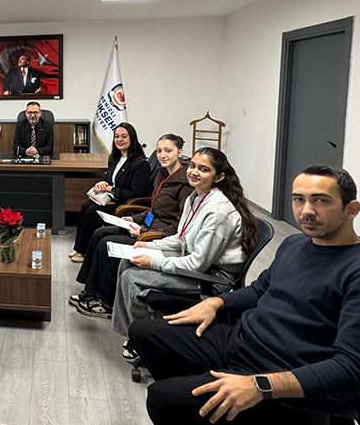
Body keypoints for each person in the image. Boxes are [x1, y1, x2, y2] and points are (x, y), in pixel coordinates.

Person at [129, 166, 360, 425]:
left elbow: (353, 371)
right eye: (298, 199)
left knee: (163, 399)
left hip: (281, 373)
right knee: (144, 332)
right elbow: (260, 290)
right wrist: (216, 302)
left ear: (351, 209)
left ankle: (224, 420)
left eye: (321, 200)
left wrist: (258, 385)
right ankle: (218, 418)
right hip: (242, 342)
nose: (306, 210)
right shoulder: (295, 244)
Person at [112, 147, 258, 346]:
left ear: (218, 177)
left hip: (211, 278)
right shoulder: (195, 197)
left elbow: (197, 264)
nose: (194, 172)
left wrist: (153, 262)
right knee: (128, 261)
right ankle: (134, 332)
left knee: (132, 277)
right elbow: (181, 239)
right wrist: (149, 245)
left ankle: (140, 342)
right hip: (194, 262)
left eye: (204, 169)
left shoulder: (218, 212)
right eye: (192, 166)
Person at [71, 134, 194, 318]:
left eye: (168, 151)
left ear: (180, 152)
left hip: (157, 236)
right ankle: (91, 290)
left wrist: (144, 231)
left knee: (107, 243)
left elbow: (180, 226)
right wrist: (134, 219)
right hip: (146, 226)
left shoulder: (186, 184)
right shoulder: (162, 174)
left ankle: (106, 302)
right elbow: (154, 209)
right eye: (159, 151)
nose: (162, 155)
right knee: (99, 234)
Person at [69, 122, 150, 263]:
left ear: (132, 138)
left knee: (92, 211)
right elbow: (110, 181)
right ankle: (79, 248)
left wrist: (111, 190)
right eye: (117, 136)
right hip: (114, 198)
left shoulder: (140, 163)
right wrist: (103, 184)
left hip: (125, 205)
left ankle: (84, 253)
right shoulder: (115, 158)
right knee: (86, 206)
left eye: (124, 136)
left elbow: (136, 193)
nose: (119, 140)